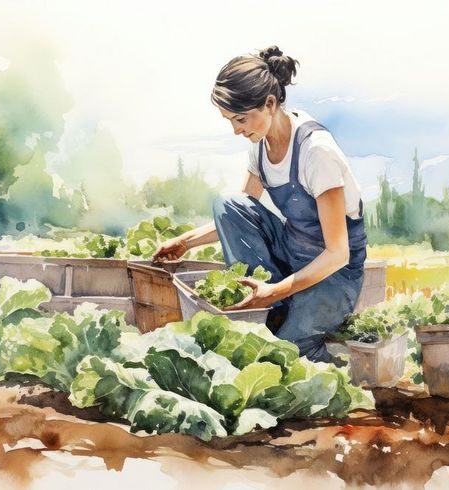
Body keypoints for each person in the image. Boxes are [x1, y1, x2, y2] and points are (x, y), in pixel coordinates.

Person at [153, 46, 367, 362]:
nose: (236, 130)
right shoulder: (260, 147)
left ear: (269, 103)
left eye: (240, 119)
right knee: (229, 204)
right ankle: (273, 309)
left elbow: (337, 254)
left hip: (334, 276)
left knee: (281, 356)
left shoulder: (316, 152)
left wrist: (276, 290)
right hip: (292, 256)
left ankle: (315, 338)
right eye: (230, 121)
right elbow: (239, 215)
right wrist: (184, 243)